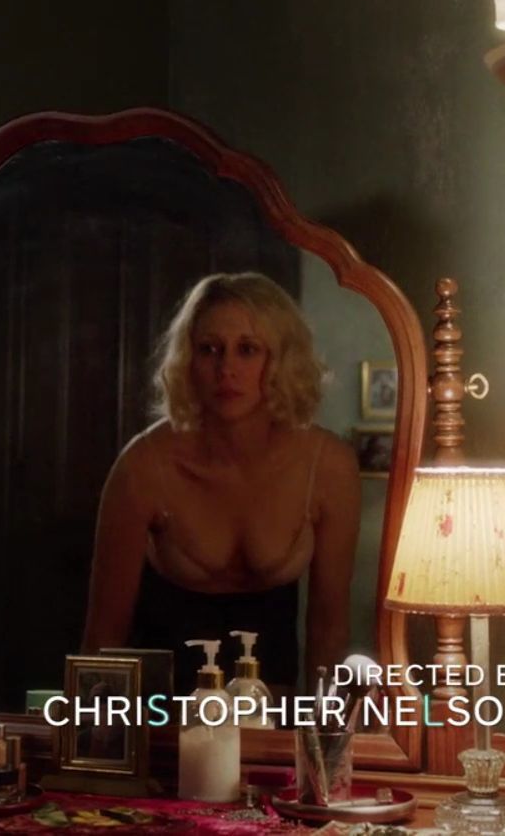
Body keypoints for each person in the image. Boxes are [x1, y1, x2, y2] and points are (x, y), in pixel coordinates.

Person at [79, 272, 361, 697]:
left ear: (281, 359)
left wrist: (322, 730)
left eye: (247, 349)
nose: (226, 369)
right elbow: (104, 637)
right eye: (209, 349)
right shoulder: (144, 467)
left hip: (271, 711)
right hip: (164, 713)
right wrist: (93, 729)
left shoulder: (327, 466)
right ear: (188, 361)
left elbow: (328, 629)